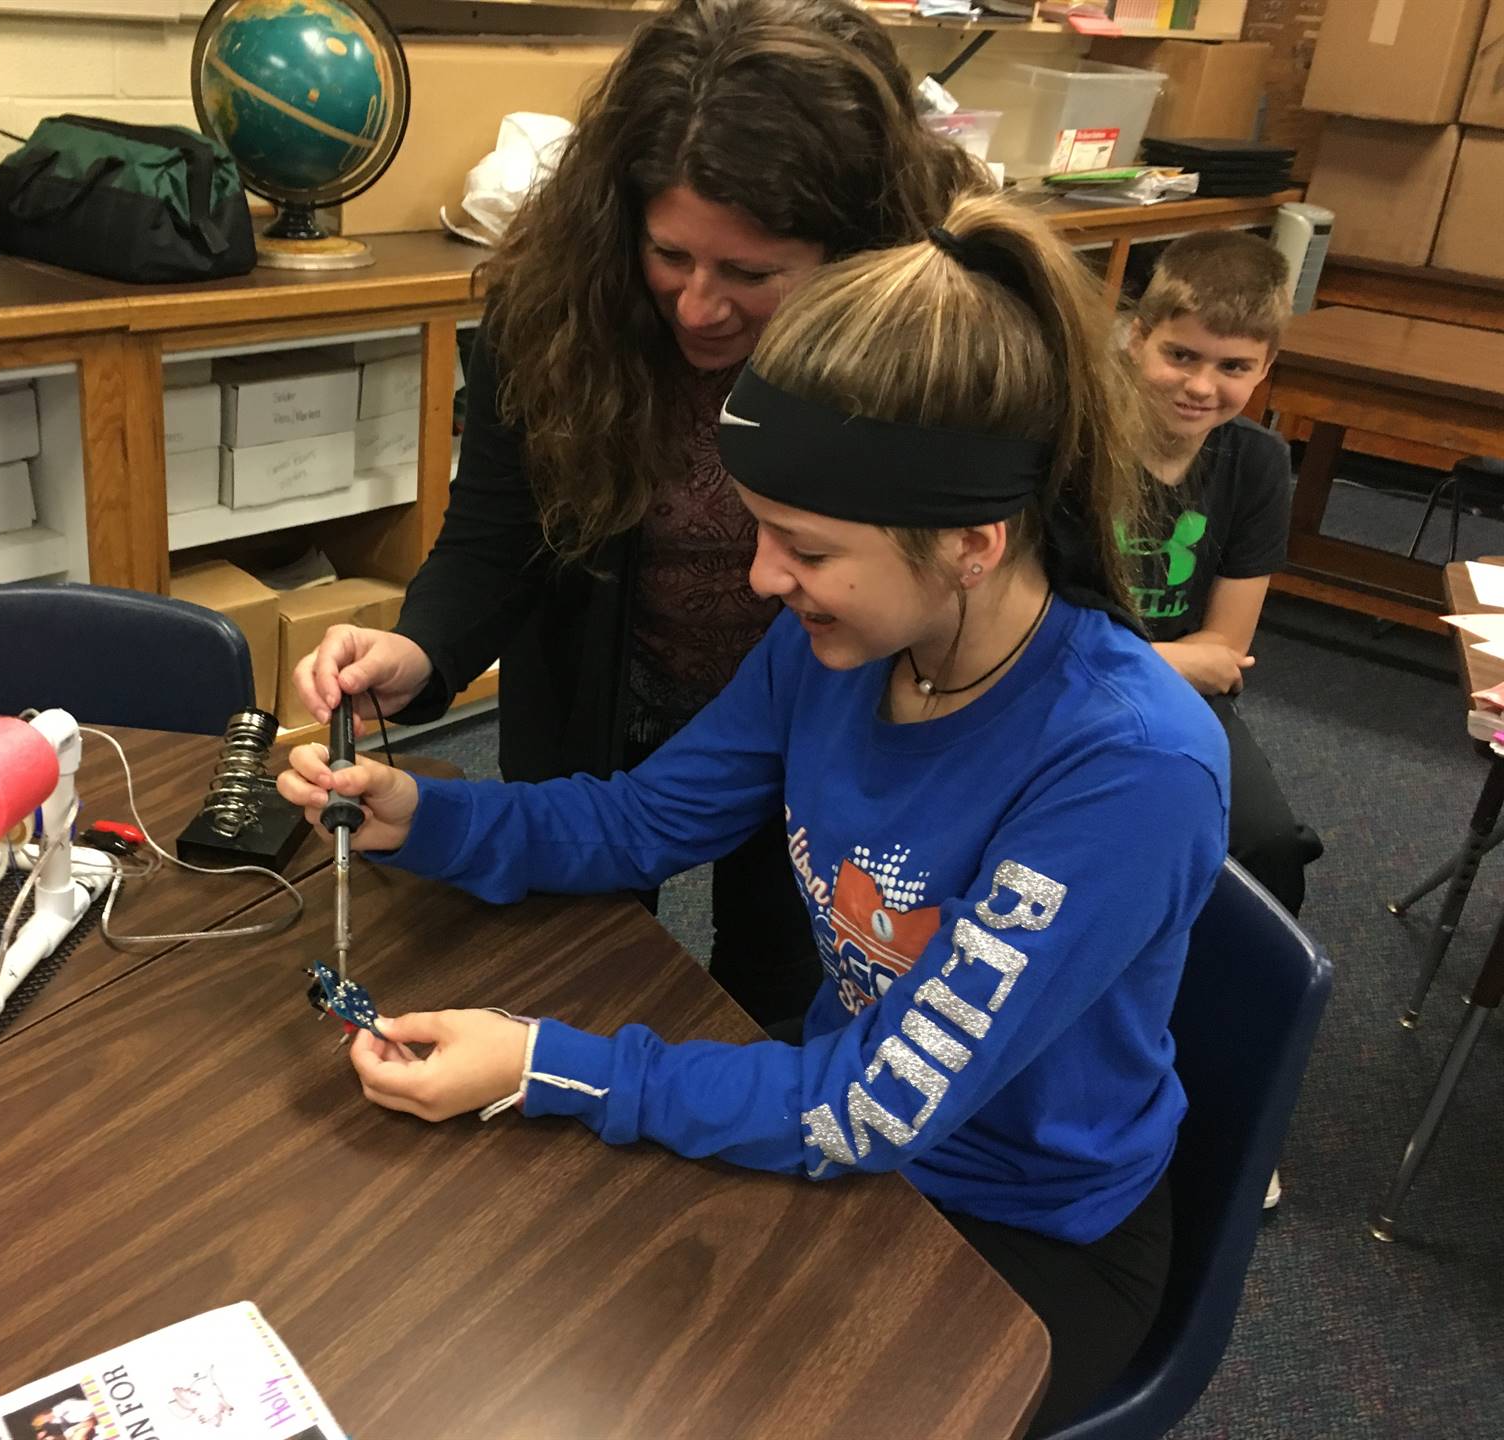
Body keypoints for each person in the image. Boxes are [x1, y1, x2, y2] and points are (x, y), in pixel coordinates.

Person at [279, 193, 1230, 1435]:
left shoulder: (1128, 768)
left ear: (973, 543)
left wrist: (547, 1064)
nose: (765, 578)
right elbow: (641, 823)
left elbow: (871, 1107)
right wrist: (426, 816)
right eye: (760, 531)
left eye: (805, 547)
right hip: (850, 1129)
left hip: (1012, 1225)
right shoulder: (836, 647)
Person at [289, 0, 985, 1028]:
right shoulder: (562, 309)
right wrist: (422, 652)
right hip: (612, 705)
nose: (700, 307)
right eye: (671, 258)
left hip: (828, 716)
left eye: (751, 275)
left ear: (853, 258)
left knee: (784, 983)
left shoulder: (920, 351)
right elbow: (497, 536)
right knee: (584, 965)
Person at [1121, 230, 1325, 918]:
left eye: (1234, 366)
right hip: (1053, 690)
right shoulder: (1076, 442)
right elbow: (1032, 641)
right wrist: (1180, 660)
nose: (1201, 387)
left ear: (1266, 366)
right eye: (1180, 355)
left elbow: (1226, 650)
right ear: (1136, 337)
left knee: (1266, 847)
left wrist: (1181, 663)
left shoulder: (1259, 463)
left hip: (1171, 697)